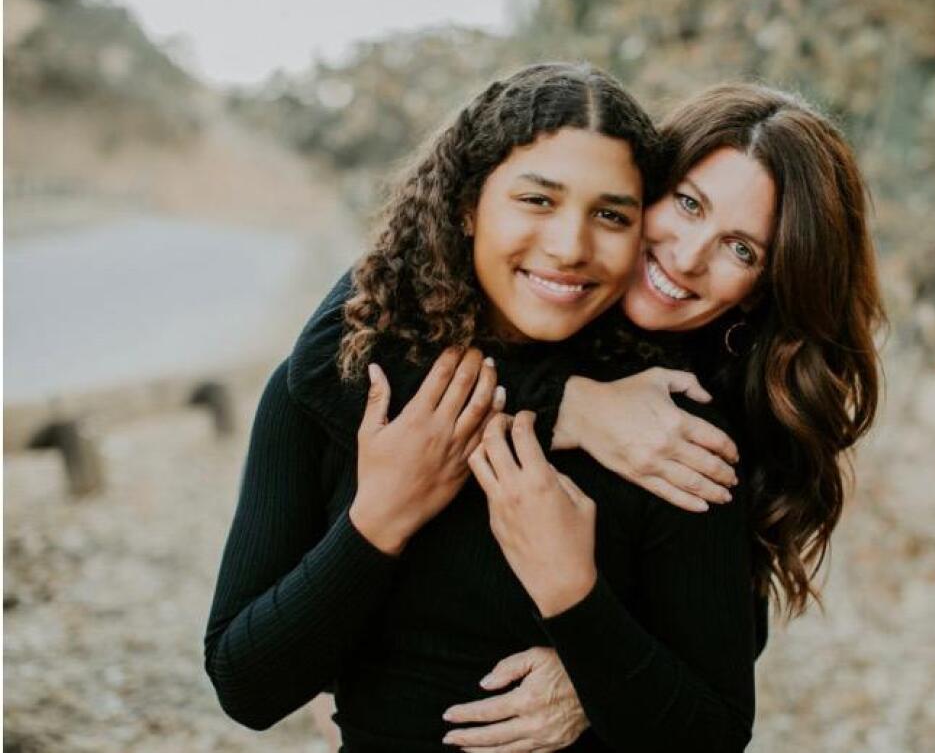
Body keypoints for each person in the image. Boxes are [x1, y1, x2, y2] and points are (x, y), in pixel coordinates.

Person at [204, 62, 760, 752]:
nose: (569, 246)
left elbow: (713, 731)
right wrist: (379, 519)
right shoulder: (346, 382)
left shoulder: (660, 426)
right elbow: (246, 687)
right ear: (467, 204)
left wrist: (579, 611)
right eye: (537, 200)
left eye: (611, 214)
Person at [434, 83, 887, 751]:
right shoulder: (527, 267)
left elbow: (714, 695)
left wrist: (592, 664)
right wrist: (575, 406)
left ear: (768, 285)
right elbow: (334, 352)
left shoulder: (708, 422)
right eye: (688, 203)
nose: (689, 254)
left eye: (742, 249)